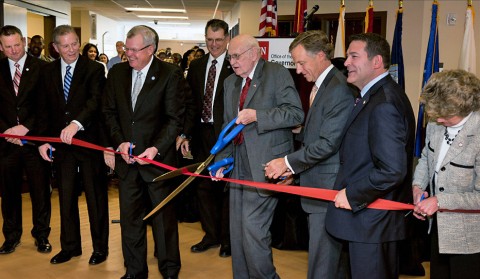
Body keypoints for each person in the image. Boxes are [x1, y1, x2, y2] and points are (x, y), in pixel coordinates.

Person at [264, 30, 354, 279]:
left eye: (301, 63)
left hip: (327, 187)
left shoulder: (338, 89)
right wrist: (296, 174)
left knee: (322, 263)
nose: (298, 70)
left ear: (321, 56)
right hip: (316, 183)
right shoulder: (323, 85)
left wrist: (287, 163)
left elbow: (327, 144)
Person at [324, 32, 415, 279]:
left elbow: (392, 170)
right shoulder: (371, 96)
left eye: (354, 56)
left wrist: (353, 195)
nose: (346, 62)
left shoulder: (383, 103)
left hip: (373, 223)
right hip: (364, 222)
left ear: (376, 62)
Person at [212, 34, 304, 278]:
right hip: (237, 163)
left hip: (266, 164)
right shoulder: (230, 83)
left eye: (236, 56)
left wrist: (258, 116)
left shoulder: (277, 74)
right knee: (238, 233)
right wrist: (220, 162)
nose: (231, 61)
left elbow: (295, 114)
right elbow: (226, 127)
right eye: (230, 56)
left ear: (254, 53)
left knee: (254, 231)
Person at [102, 25, 184, 279]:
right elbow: (109, 112)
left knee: (163, 220)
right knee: (130, 220)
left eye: (134, 50)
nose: (129, 55)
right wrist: (119, 142)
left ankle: (169, 269)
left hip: (157, 162)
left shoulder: (170, 74)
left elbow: (174, 119)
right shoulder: (116, 73)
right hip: (127, 161)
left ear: (151, 49)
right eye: (127, 49)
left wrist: (156, 148)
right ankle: (135, 271)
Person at [37, 25, 109, 265]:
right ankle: (70, 247)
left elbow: (95, 101)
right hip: (61, 146)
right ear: (55, 48)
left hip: (88, 142)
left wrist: (76, 124)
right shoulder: (46, 72)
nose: (72, 50)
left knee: (95, 197)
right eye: (65, 46)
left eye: (75, 43)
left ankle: (100, 248)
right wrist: (44, 140)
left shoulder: (95, 69)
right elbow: (44, 109)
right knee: (66, 197)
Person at [412, 69, 480, 279]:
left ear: (464, 107)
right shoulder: (435, 123)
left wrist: (439, 201)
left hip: (470, 238)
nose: (438, 120)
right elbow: (426, 157)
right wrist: (418, 186)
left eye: (445, 116)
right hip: (439, 229)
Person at [181, 19, 233, 258]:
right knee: (202, 186)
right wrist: (185, 133)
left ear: (227, 39)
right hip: (201, 132)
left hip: (225, 135)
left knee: (224, 187)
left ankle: (226, 239)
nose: (214, 45)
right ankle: (210, 234)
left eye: (219, 40)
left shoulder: (235, 64)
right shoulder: (197, 65)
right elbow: (190, 104)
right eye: (210, 40)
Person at [0, 25, 52, 255]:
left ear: (24, 41)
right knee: (9, 192)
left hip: (35, 142)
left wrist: (26, 128)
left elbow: (47, 106)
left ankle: (41, 235)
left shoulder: (43, 69)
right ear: (1, 47)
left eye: (17, 45)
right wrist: (8, 130)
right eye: (8, 47)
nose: (13, 51)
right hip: (6, 143)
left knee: (40, 192)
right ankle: (11, 237)